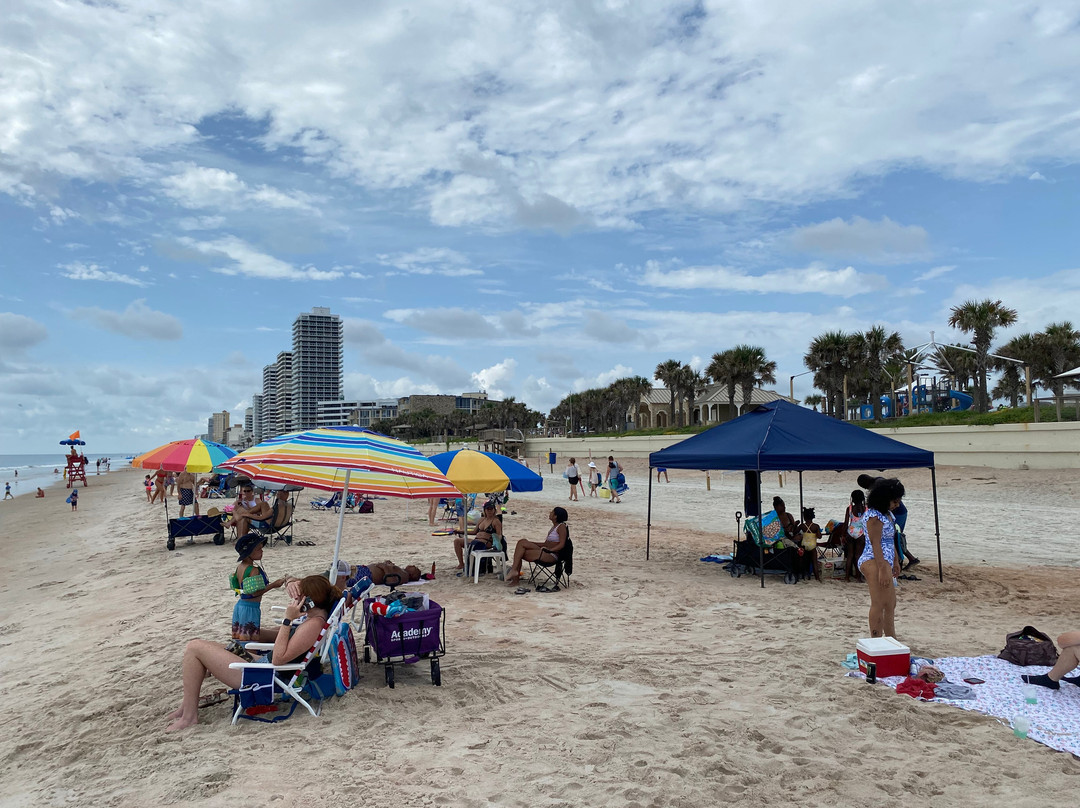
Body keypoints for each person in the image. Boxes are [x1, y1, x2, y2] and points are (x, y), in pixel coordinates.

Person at [166, 574, 336, 731]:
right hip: (263, 666)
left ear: (310, 601)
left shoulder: (312, 625)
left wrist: (287, 620)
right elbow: (286, 645)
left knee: (194, 648)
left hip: (260, 675)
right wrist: (292, 583)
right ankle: (186, 706)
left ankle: (189, 717)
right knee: (208, 646)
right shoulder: (314, 619)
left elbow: (278, 659)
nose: (295, 598)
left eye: (300, 595)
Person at [859, 478, 905, 638]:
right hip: (873, 560)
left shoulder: (887, 514)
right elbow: (875, 543)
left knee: (890, 604)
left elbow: (890, 539)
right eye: (895, 501)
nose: (897, 504)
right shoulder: (874, 517)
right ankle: (876, 640)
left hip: (885, 560)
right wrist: (883, 568)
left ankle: (892, 639)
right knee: (878, 603)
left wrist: (895, 560)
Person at [230, 533, 287, 641]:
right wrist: (274, 585)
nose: (262, 551)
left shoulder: (240, 567)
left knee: (241, 636)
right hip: (251, 607)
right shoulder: (253, 570)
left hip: (240, 606)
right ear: (248, 552)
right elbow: (255, 593)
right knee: (250, 638)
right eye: (258, 549)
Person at [858, 473, 918, 570]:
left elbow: (884, 541)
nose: (865, 488)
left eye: (864, 486)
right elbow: (875, 543)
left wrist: (894, 562)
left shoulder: (879, 485)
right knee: (892, 536)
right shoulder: (876, 516)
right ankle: (907, 558)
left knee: (896, 536)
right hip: (879, 561)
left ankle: (905, 558)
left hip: (898, 513)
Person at [505, 507, 568, 586]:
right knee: (522, 543)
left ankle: (515, 577)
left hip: (552, 555)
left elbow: (562, 544)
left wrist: (550, 550)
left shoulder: (561, 526)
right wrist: (531, 543)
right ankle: (514, 574)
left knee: (520, 553)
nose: (550, 513)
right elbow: (546, 544)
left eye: (552, 512)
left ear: (555, 516)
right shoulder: (554, 527)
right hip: (545, 551)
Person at [453, 501, 503, 574]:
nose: (489, 511)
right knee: (457, 541)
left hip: (487, 542)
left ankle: (472, 566)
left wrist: (496, 542)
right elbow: (474, 532)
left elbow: (499, 535)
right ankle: (461, 563)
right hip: (476, 540)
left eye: (491, 509)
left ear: (494, 510)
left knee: (476, 544)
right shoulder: (481, 519)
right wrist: (460, 531)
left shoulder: (496, 521)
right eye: (487, 509)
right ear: (484, 510)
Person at [838, 489, 867, 583]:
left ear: (852, 499)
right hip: (860, 533)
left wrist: (843, 535)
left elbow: (846, 523)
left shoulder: (849, 508)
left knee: (850, 555)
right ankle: (858, 577)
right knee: (858, 555)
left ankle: (847, 577)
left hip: (850, 532)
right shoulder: (866, 509)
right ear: (863, 499)